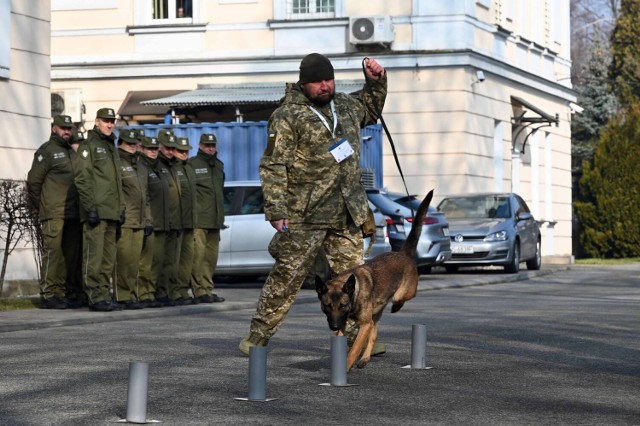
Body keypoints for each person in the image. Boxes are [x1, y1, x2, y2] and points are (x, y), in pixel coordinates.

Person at [239, 53, 387, 355]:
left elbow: (371, 109)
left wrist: (376, 82)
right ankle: (258, 335)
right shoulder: (287, 115)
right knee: (287, 276)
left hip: (347, 211)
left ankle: (359, 337)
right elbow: (274, 165)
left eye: (329, 79)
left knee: (354, 280)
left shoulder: (345, 105)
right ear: (303, 83)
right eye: (318, 81)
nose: (325, 86)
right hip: (304, 213)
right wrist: (277, 209)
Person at [27, 115, 83, 309]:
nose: (67, 131)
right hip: (54, 211)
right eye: (63, 128)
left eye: (69, 128)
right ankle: (49, 294)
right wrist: (43, 205)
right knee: (54, 253)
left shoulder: (72, 152)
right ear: (54, 128)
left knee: (70, 254)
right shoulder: (46, 151)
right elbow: (34, 182)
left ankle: (63, 293)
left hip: (73, 212)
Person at [74, 107, 125, 312]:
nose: (110, 124)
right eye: (105, 121)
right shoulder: (89, 146)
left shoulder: (112, 147)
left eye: (112, 121)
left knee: (107, 259)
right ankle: (94, 296)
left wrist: (120, 208)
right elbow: (82, 178)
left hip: (111, 212)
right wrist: (90, 208)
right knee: (93, 257)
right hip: (96, 211)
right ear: (96, 122)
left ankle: (104, 294)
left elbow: (116, 182)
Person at [114, 129, 152, 309]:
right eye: (130, 144)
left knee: (134, 262)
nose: (134, 147)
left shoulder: (142, 166)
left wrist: (148, 219)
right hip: (125, 220)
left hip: (139, 220)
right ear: (120, 143)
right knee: (122, 260)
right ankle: (122, 295)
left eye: (136, 144)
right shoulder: (116, 162)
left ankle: (131, 294)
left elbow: (146, 196)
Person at [188, 133, 226, 304]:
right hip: (199, 220)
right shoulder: (192, 164)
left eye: (212, 145)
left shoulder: (218, 165)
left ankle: (208, 289)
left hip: (215, 220)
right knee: (198, 257)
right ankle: (199, 290)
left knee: (211, 258)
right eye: (207, 145)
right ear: (200, 145)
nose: (210, 148)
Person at [155, 130, 183, 305]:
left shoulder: (174, 166)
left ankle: (169, 292)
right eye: (167, 148)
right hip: (161, 221)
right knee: (159, 261)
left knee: (171, 262)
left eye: (173, 148)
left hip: (175, 220)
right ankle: (159, 292)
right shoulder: (157, 164)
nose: (170, 151)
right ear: (160, 146)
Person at [136, 136, 164, 308]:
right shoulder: (142, 167)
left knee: (155, 262)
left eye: (155, 148)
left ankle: (150, 293)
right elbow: (144, 197)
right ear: (142, 149)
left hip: (158, 221)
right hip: (147, 221)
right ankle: (143, 293)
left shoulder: (158, 167)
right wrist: (147, 219)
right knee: (144, 262)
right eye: (150, 148)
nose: (153, 151)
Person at [173, 136, 198, 304]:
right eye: (180, 151)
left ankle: (182, 290)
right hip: (176, 221)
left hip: (189, 221)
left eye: (186, 151)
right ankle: (173, 291)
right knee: (174, 260)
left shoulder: (189, 168)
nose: (183, 154)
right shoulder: (173, 167)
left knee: (186, 260)